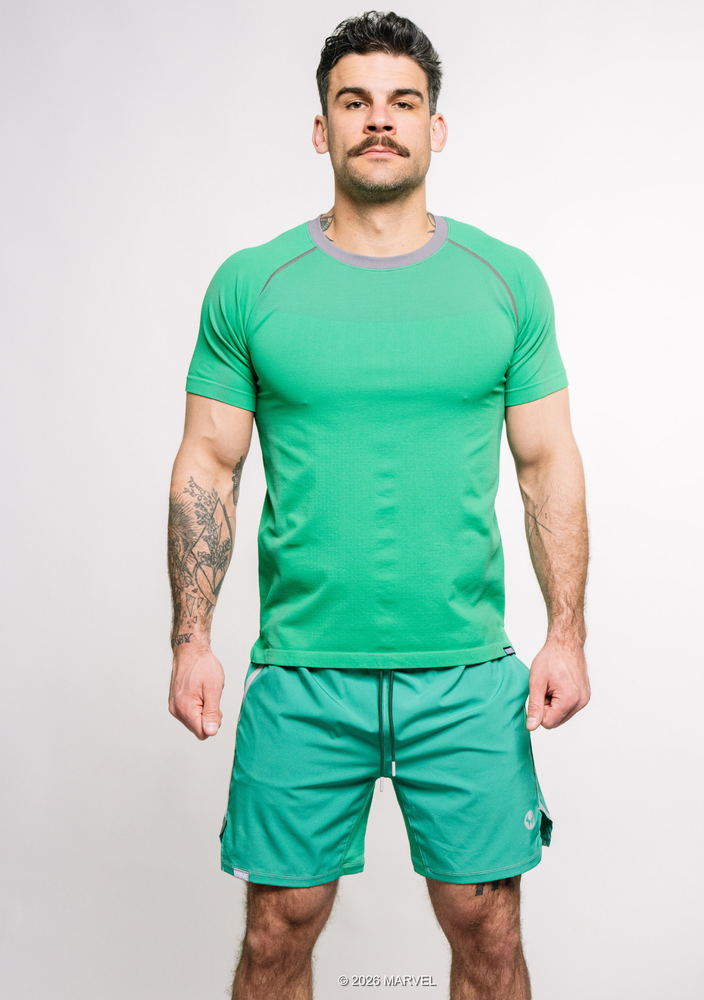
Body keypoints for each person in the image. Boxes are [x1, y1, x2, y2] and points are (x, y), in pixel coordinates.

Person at [166, 11, 590, 999]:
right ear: (321, 128)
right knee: (277, 930)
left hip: (466, 671)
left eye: (403, 102)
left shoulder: (505, 281)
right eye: (354, 102)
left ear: (435, 127)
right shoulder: (252, 284)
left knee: (488, 931)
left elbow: (547, 465)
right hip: (304, 672)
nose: (379, 120)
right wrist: (191, 637)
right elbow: (208, 466)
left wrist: (565, 634)